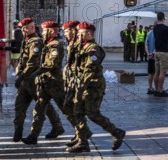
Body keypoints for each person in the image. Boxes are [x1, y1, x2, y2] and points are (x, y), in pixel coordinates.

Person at [68, 22, 125, 153]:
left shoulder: (93, 49)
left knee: (92, 114)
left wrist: (81, 87)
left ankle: (116, 132)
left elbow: (89, 70)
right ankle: (83, 142)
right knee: (78, 112)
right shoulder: (81, 47)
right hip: (82, 85)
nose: (77, 36)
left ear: (89, 34)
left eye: (80, 33)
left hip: (93, 85)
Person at [21, 21, 78, 145]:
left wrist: (34, 73)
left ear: (52, 31)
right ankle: (33, 135)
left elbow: (52, 64)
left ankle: (81, 133)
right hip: (45, 83)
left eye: (45, 30)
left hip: (55, 84)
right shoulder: (47, 44)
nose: (43, 33)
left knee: (66, 109)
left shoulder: (55, 45)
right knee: (39, 109)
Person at [13, 18, 64, 143]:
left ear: (31, 28)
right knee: (20, 106)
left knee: (43, 105)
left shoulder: (35, 42)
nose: (23, 30)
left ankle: (57, 127)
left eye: (26, 27)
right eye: (22, 28)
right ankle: (18, 130)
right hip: (26, 81)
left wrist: (21, 76)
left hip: (33, 80)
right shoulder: (27, 41)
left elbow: (32, 63)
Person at [62, 20, 92, 149]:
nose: (64, 34)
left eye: (66, 31)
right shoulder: (72, 44)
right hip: (72, 82)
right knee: (69, 108)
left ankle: (83, 138)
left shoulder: (80, 45)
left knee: (78, 111)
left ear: (73, 31)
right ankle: (81, 134)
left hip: (80, 83)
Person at [153, 12, 168, 97]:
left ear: (157, 18)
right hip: (164, 52)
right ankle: (161, 90)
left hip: (157, 51)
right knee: (163, 72)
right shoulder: (166, 28)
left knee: (157, 71)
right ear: (163, 18)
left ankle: (156, 89)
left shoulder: (155, 28)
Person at [145, 24, 157, 95]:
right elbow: (159, 44)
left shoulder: (149, 33)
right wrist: (153, 53)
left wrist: (148, 53)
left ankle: (150, 87)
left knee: (150, 73)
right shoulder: (158, 33)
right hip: (156, 56)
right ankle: (156, 88)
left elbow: (146, 44)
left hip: (150, 56)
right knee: (156, 73)